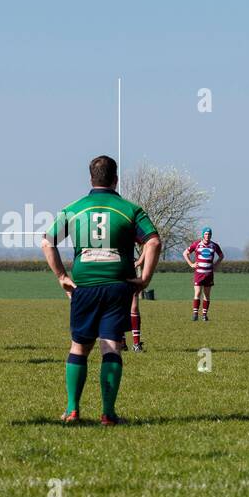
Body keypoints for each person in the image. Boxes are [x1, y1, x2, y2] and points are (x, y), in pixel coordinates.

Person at [42, 155, 160, 425]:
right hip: (118, 287)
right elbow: (153, 243)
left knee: (79, 348)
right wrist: (144, 279)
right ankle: (108, 413)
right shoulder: (129, 209)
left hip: (84, 287)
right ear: (116, 179)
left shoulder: (74, 208)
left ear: (90, 179)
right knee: (111, 347)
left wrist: (62, 276)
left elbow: (48, 242)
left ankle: (72, 409)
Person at [184, 227, 224, 321]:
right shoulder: (197, 244)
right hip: (199, 273)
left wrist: (216, 265)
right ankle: (195, 314)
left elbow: (221, 256)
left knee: (207, 294)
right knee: (197, 293)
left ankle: (204, 315)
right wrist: (191, 264)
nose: (208, 236)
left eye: (209, 234)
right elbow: (185, 253)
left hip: (209, 274)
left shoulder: (214, 245)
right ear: (203, 235)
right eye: (206, 234)